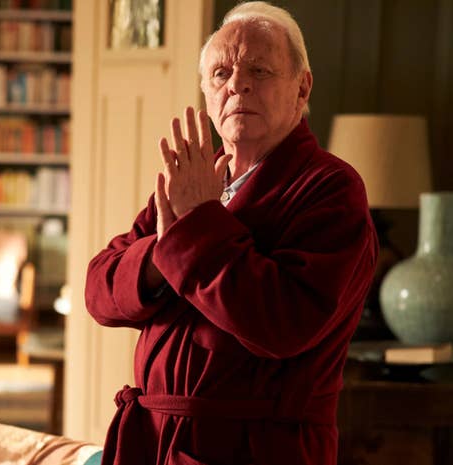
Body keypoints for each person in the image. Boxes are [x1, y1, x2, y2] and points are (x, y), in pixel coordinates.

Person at [84, 2, 378, 465]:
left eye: (259, 70)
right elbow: (99, 291)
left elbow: (282, 323)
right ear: (206, 92)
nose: (238, 84)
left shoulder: (331, 188)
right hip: (152, 440)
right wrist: (167, 248)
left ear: (302, 88)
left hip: (258, 449)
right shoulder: (195, 179)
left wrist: (193, 225)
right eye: (221, 73)